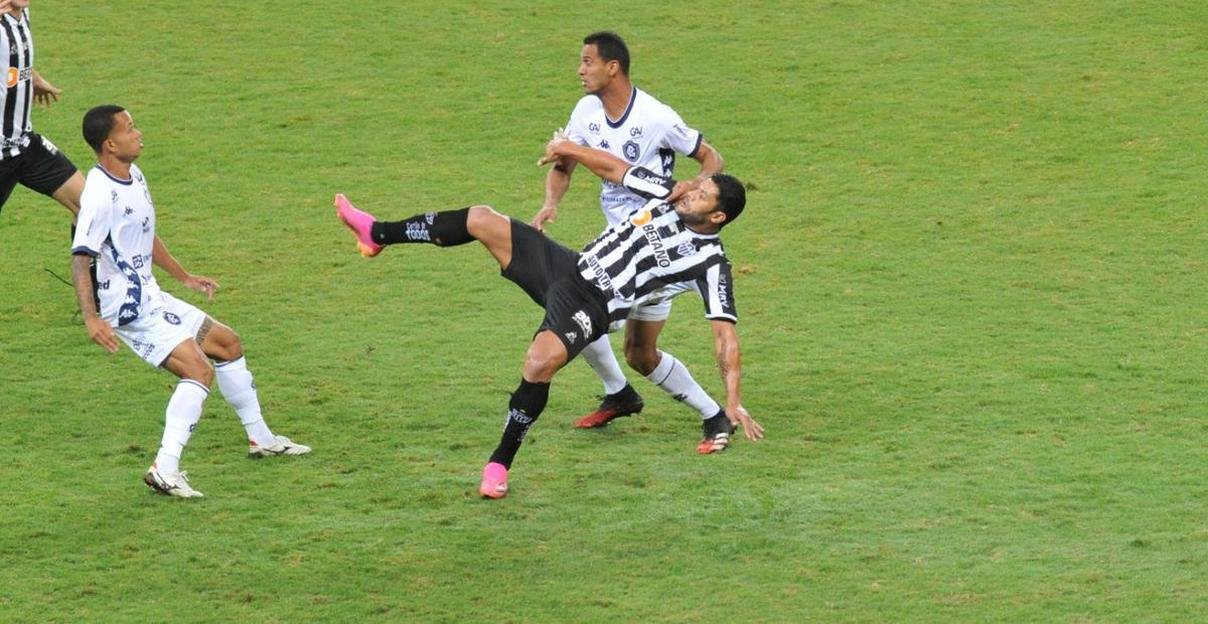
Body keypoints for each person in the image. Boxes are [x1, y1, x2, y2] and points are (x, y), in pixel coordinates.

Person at [334, 136, 763, 499]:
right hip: (566, 267)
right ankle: (377, 234)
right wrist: (568, 148)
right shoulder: (668, 193)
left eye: (701, 195)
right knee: (481, 218)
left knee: (538, 364)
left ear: (717, 216)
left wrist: (733, 397)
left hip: (593, 305)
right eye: (696, 187)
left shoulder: (711, 263)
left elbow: (725, 336)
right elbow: (615, 168)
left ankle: (499, 465)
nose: (689, 192)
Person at [70, 105, 310, 498]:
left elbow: (144, 235)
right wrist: (91, 317)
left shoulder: (133, 174)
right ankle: (165, 468)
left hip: (149, 293)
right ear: (110, 144)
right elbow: (81, 255)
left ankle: (261, 438)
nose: (139, 133)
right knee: (198, 372)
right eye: (130, 129)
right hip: (127, 307)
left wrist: (183, 276)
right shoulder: (99, 194)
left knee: (227, 343)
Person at [533, 31, 733, 452]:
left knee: (580, 312)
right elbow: (567, 162)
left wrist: (692, 188)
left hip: (659, 245)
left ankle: (703, 412)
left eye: (587, 61)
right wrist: (550, 202)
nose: (580, 70)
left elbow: (711, 157)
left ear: (613, 67)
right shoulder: (587, 110)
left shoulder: (655, 117)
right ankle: (701, 412)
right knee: (639, 352)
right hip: (620, 243)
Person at [0, 0, 85, 218]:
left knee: (90, 207)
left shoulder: (21, 13)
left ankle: (86, 264)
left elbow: (12, 58)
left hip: (25, 145)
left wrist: (32, 77)